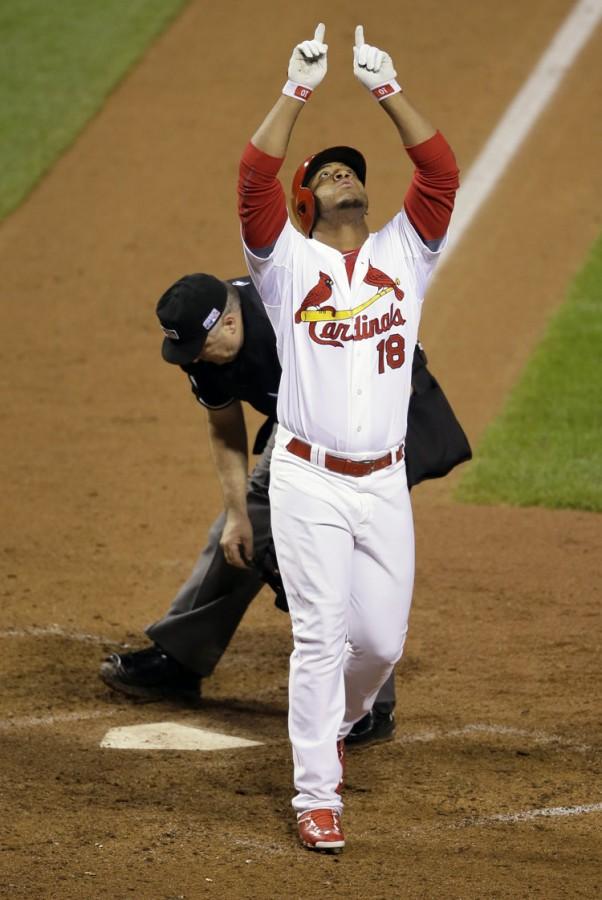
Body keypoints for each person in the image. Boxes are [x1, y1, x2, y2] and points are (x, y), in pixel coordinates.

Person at [237, 24, 459, 852]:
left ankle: (337, 721)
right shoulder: (284, 266)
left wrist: (384, 86)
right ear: (305, 203)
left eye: (350, 171)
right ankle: (315, 795)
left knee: (380, 643)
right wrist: (296, 88)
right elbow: (253, 178)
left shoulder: (407, 253)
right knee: (322, 632)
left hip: (383, 484)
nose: (343, 177)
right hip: (308, 481)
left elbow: (438, 173)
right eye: (326, 174)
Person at [100, 271, 398, 743]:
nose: (193, 358)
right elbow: (224, 427)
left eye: (199, 346)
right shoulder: (203, 344)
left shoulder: (297, 323)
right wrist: (238, 515)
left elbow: (359, 403)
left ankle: (367, 704)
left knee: (337, 541)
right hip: (301, 421)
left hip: (375, 416)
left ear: (230, 325)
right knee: (250, 527)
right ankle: (182, 656)